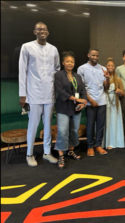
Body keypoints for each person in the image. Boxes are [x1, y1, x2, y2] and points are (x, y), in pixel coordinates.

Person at [19, 22, 60, 167]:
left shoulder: (53, 49)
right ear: (34, 31)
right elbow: (22, 71)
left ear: (47, 32)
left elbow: (57, 70)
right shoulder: (27, 47)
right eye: (39, 29)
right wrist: (22, 94)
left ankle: (47, 152)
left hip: (49, 93)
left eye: (44, 29)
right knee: (33, 125)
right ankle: (29, 154)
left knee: (48, 125)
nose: (42, 31)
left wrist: (57, 92)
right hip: (33, 93)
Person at [54, 51, 87, 169]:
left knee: (74, 130)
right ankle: (61, 155)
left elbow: (83, 91)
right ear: (63, 63)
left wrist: (84, 102)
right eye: (67, 61)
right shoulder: (58, 75)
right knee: (62, 131)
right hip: (63, 107)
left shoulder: (77, 76)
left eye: (72, 61)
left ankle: (71, 150)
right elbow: (60, 91)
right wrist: (76, 99)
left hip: (76, 108)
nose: (70, 63)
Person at [77, 49, 110, 157]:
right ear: (88, 55)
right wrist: (90, 100)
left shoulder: (103, 69)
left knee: (100, 125)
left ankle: (98, 145)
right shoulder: (82, 68)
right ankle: (90, 146)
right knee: (90, 125)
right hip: (90, 102)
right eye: (93, 55)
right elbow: (81, 88)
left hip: (102, 101)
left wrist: (108, 78)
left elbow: (106, 87)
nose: (95, 57)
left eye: (97, 55)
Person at [102, 58, 125, 150]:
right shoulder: (102, 77)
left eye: (112, 65)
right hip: (105, 102)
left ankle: (114, 142)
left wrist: (119, 92)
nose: (110, 67)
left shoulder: (118, 79)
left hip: (115, 104)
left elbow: (123, 93)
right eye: (108, 65)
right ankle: (105, 142)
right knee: (106, 122)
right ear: (105, 66)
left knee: (114, 122)